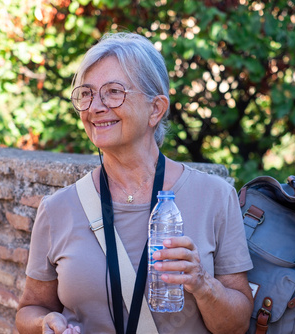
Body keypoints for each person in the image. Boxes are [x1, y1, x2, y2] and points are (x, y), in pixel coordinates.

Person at [16, 32, 254, 334]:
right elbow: (30, 309)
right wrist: (44, 324)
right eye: (86, 94)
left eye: (113, 92)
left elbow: (236, 324)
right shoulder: (57, 209)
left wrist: (202, 283)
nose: (95, 107)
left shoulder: (215, 197)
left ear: (155, 109)